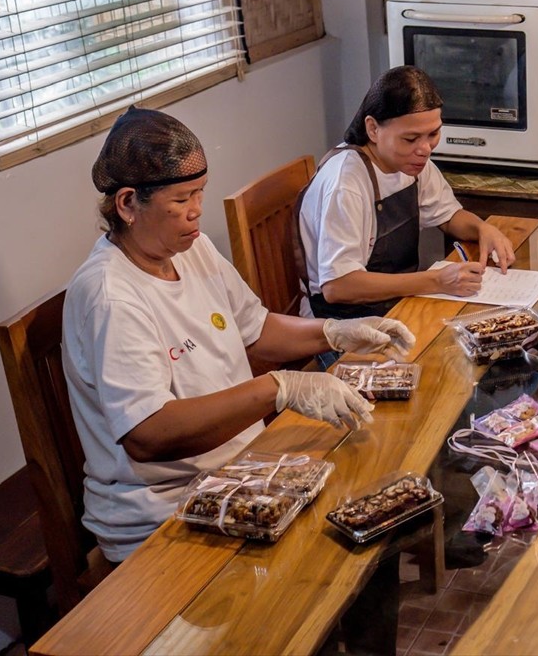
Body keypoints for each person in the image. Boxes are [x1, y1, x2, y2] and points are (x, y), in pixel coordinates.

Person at [62, 107, 416, 563]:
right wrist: (278, 388)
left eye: (200, 193)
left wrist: (335, 332)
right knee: (337, 561)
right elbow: (148, 435)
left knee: (378, 505)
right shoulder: (110, 296)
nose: (197, 210)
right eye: (181, 199)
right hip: (166, 513)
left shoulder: (190, 249)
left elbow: (256, 329)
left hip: (242, 471)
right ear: (128, 204)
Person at [297, 66, 516, 323]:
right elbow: (338, 286)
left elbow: (448, 216)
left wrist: (482, 228)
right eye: (410, 138)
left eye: (433, 134)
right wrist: (435, 281)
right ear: (373, 129)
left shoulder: (411, 162)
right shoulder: (346, 184)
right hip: (340, 325)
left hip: (396, 306)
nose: (425, 149)